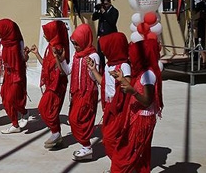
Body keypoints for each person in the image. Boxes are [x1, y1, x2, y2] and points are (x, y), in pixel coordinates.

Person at [110, 39, 164, 173]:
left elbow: (147, 101)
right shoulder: (142, 72)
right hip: (138, 117)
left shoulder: (148, 75)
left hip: (142, 120)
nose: (129, 58)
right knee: (139, 154)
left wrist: (132, 91)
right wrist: (122, 79)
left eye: (132, 55)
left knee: (125, 153)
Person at [88, 32, 131, 163]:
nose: (104, 52)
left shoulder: (124, 66)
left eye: (106, 49)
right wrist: (94, 70)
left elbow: (129, 86)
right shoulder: (108, 65)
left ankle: (120, 166)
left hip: (119, 109)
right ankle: (119, 165)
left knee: (110, 138)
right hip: (108, 106)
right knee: (108, 138)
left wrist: (121, 79)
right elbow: (104, 83)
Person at [30, 20, 69, 148]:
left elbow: (61, 70)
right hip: (50, 85)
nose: (44, 35)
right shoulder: (50, 46)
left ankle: (56, 132)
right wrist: (37, 54)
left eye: (46, 33)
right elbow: (47, 66)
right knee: (47, 109)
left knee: (46, 109)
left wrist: (57, 57)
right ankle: (56, 134)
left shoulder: (59, 48)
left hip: (57, 85)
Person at [0, 18, 29, 134]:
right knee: (5, 98)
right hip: (8, 74)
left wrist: (26, 55)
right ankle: (15, 124)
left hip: (17, 74)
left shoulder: (18, 42)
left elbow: (23, 59)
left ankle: (24, 112)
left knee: (13, 98)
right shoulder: (1, 43)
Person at [65, 24, 100, 161]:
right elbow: (68, 70)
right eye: (73, 43)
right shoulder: (76, 55)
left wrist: (92, 68)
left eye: (77, 43)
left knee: (79, 120)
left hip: (88, 92)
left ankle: (87, 147)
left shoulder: (93, 55)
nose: (75, 46)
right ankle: (86, 147)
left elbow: (94, 77)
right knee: (74, 119)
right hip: (76, 93)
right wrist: (60, 59)